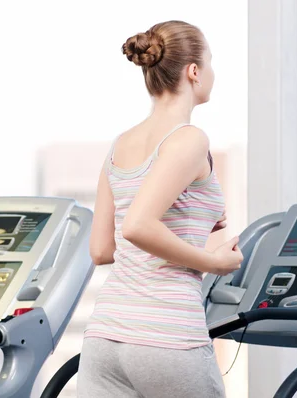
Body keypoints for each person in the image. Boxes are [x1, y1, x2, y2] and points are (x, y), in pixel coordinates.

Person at [77, 20, 243, 398]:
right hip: (165, 334)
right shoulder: (189, 139)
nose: (213, 73)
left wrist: (194, 238)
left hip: (105, 336)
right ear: (194, 71)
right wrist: (211, 262)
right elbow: (138, 226)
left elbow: (102, 250)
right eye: (211, 63)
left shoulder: (121, 144)